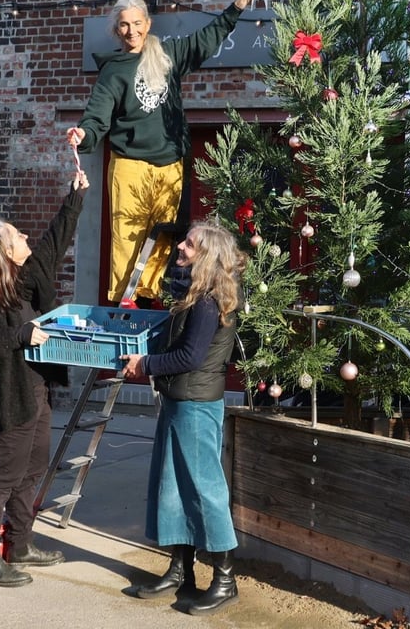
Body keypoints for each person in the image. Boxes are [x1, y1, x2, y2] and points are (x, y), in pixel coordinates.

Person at [67, 0, 260, 307]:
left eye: (137, 23)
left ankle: (148, 299)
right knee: (128, 238)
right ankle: (124, 304)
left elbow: (205, 41)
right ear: (117, 30)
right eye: (124, 25)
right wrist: (84, 134)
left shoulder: (167, 54)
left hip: (169, 162)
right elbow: (97, 115)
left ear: (148, 24)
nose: (131, 31)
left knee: (162, 238)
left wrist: (237, 8)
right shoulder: (114, 71)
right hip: (130, 164)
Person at [0, 168, 89, 587]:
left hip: (38, 391)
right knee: (1, 477)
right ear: (2, 248)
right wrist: (20, 334)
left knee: (33, 468)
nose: (27, 240)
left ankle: (21, 544)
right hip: (12, 397)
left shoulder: (27, 278)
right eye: (19, 236)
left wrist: (74, 196)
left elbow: (55, 241)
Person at [120, 220, 246, 615]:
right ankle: (180, 571)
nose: (181, 248)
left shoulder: (210, 302)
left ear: (206, 254)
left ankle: (225, 581)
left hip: (195, 406)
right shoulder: (196, 294)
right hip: (180, 402)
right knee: (172, 488)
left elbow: (189, 357)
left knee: (204, 491)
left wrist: (147, 364)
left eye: (189, 244)